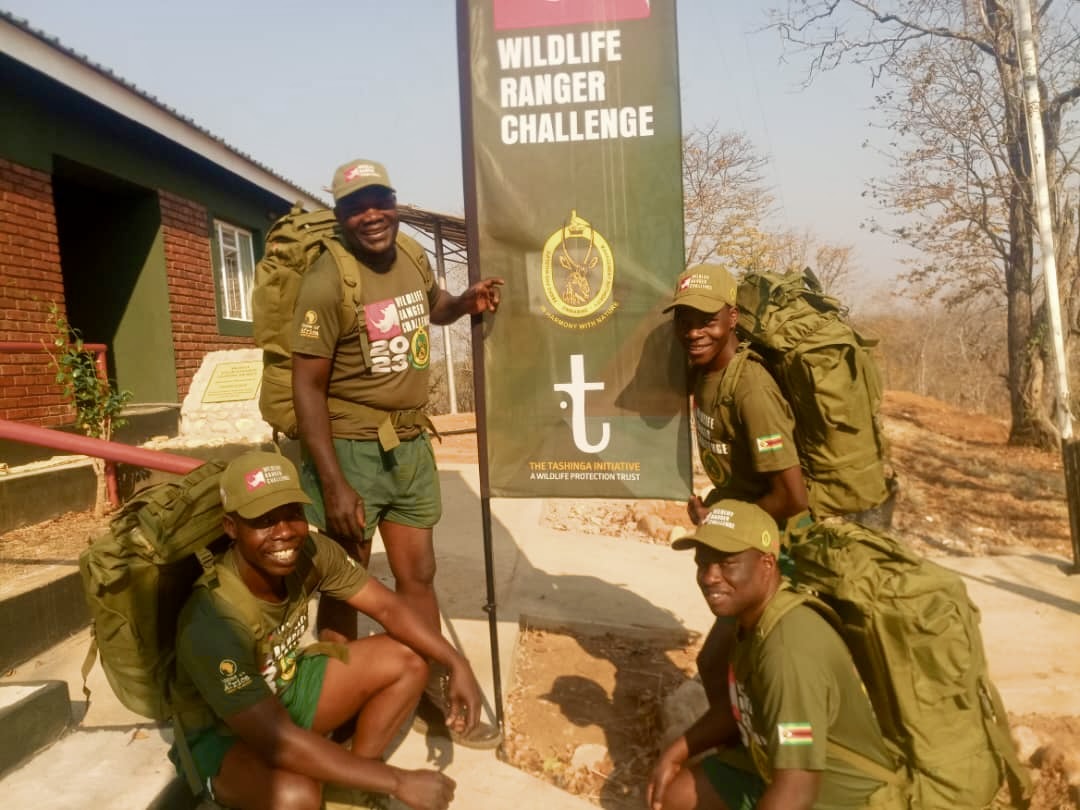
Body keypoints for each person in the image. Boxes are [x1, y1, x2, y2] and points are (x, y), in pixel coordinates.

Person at [289, 158, 503, 747]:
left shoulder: (411, 253)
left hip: (409, 444)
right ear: (341, 216)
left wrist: (464, 302)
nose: (372, 215)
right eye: (357, 206)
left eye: (380, 200)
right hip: (351, 449)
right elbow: (305, 387)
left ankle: (429, 686)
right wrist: (333, 483)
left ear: (395, 202)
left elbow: (430, 307)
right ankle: (333, 709)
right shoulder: (327, 280)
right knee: (345, 582)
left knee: (419, 575)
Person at [171, 451, 486, 810]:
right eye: (264, 520)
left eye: (293, 513)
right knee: (296, 796)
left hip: (284, 688)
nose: (285, 532)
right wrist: (398, 782)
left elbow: (388, 607)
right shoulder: (213, 622)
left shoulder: (311, 551)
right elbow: (279, 740)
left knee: (410, 656)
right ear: (231, 527)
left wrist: (455, 662)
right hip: (224, 734)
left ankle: (351, 788)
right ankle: (225, 794)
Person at [647, 502, 899, 810]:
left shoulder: (787, 650)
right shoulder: (754, 618)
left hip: (833, 796)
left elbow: (796, 792)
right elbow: (740, 708)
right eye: (704, 563)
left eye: (727, 563)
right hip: (771, 764)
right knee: (674, 795)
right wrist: (675, 753)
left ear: (767, 563)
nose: (710, 577)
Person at [665, 262, 811, 710]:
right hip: (741, 537)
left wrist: (724, 522)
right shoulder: (704, 374)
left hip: (775, 549)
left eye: (707, 320)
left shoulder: (749, 389)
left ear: (732, 318)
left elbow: (792, 496)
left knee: (724, 662)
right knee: (729, 663)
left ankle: (746, 751)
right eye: (685, 321)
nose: (694, 333)